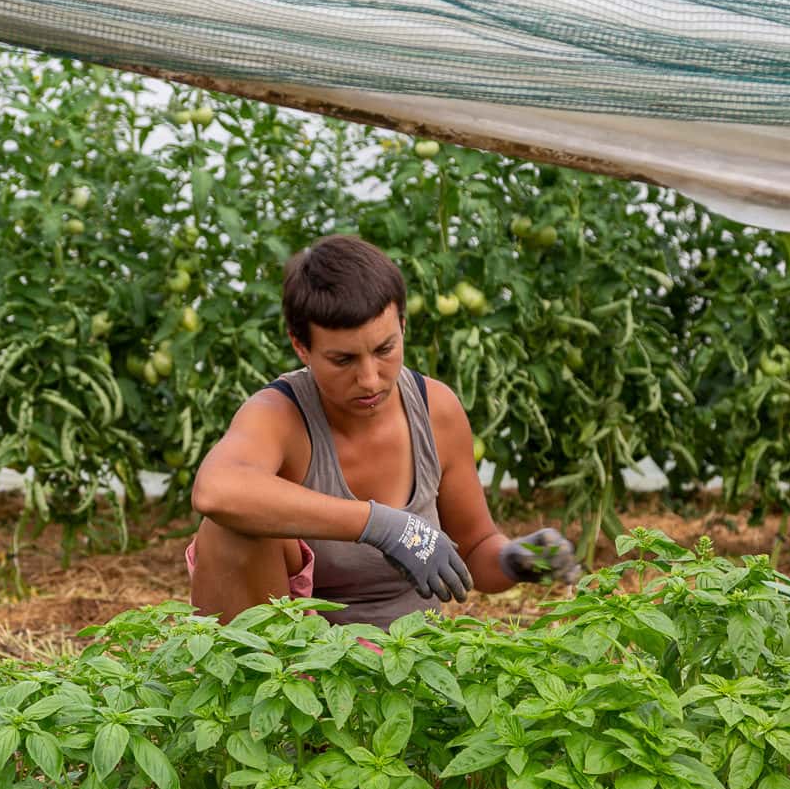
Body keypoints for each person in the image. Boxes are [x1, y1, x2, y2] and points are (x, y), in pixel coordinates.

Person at [188, 234, 581, 628]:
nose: (370, 379)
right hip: (298, 669)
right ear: (301, 347)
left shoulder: (435, 409)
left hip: (405, 662)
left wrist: (513, 559)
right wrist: (381, 526)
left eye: (384, 349)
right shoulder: (280, 414)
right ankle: (257, 684)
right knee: (230, 528)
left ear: (403, 326)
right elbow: (217, 491)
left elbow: (475, 547)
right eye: (343, 359)